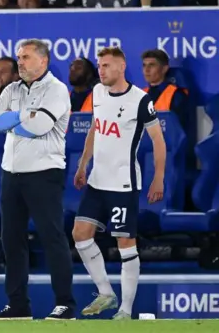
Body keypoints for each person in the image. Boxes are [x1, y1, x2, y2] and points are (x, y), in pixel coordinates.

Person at [0, 39, 76, 320]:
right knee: (11, 240)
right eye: (19, 57)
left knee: (52, 238)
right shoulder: (12, 88)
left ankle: (65, 304)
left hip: (44, 174)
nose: (19, 62)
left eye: (25, 57)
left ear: (43, 61)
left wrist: (15, 121)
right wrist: (25, 116)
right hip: (11, 174)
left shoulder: (56, 90)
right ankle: (18, 305)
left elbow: (39, 127)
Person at [73, 46, 166, 320]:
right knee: (80, 234)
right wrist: (82, 164)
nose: (100, 70)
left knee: (126, 243)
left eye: (106, 66)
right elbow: (94, 128)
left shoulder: (141, 100)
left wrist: (158, 178)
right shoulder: (98, 93)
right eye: (99, 66)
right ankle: (106, 293)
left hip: (124, 184)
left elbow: (158, 142)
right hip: (96, 181)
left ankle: (126, 310)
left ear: (121, 67)